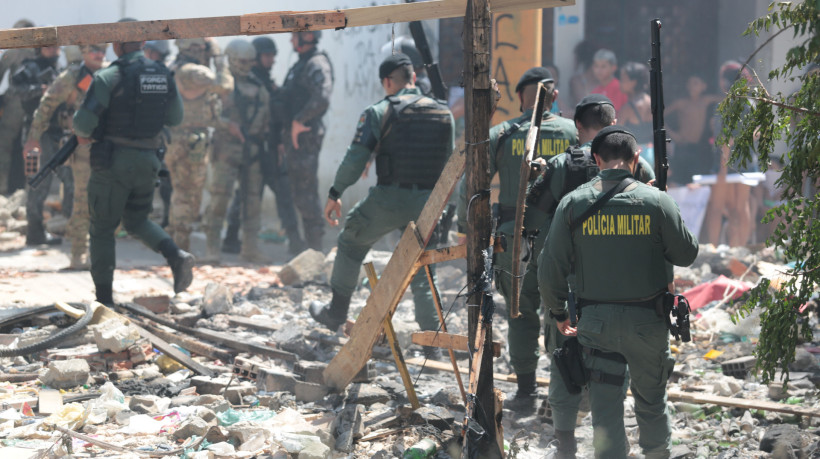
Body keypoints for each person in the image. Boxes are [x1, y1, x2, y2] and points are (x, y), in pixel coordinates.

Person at [540, 126, 698, 459]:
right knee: (652, 405)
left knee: (606, 413)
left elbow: (551, 267)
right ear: (636, 158)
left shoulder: (573, 203)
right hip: (648, 323)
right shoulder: (656, 201)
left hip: (596, 325)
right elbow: (686, 254)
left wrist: (558, 313)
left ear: (596, 159)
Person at [529, 94, 655, 457]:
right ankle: (609, 444)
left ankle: (565, 445)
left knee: (564, 358)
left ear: (578, 127)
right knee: (611, 365)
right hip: (619, 286)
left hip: (569, 281)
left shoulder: (560, 165)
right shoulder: (638, 166)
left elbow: (534, 222)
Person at [308, 54, 454, 352]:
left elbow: (355, 159)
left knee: (350, 241)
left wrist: (335, 193)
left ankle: (336, 312)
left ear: (388, 82)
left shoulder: (381, 110)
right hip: (429, 201)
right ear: (413, 78)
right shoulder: (444, 113)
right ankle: (432, 344)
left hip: (389, 198)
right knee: (424, 269)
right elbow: (451, 164)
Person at [457, 67, 577, 411]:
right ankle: (561, 393)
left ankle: (526, 392)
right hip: (562, 239)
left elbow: (472, 184)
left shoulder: (503, 133)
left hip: (514, 238)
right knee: (562, 312)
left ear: (519, 96)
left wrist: (466, 230)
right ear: (554, 97)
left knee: (521, 313)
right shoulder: (574, 133)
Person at [72, 23, 194, 305]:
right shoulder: (164, 74)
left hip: (113, 164)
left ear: (116, 45)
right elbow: (175, 118)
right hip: (149, 162)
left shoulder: (107, 77)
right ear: (142, 43)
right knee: (137, 220)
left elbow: (82, 124)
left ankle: (105, 301)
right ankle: (176, 255)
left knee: (102, 229)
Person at [24, 43, 108, 266]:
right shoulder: (72, 76)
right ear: (83, 53)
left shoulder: (110, 73)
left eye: (103, 50)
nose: (99, 54)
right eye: (94, 50)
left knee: (105, 203)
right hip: (82, 146)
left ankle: (99, 255)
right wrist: (33, 138)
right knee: (82, 200)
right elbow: (47, 105)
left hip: (109, 146)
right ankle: (78, 254)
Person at [222, 36, 305, 256]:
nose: (271, 60)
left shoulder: (265, 84)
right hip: (254, 146)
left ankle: (295, 240)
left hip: (270, 147)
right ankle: (231, 237)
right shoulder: (248, 84)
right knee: (248, 194)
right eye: (267, 55)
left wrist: (278, 143)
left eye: (272, 56)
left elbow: (276, 117)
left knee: (281, 193)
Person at [202, 39, 270, 264]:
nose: (247, 66)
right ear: (231, 59)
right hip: (225, 149)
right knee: (219, 200)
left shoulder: (257, 86)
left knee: (252, 202)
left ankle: (250, 249)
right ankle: (212, 249)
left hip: (251, 150)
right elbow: (208, 115)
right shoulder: (219, 86)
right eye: (243, 61)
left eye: (250, 61)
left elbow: (265, 115)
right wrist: (226, 125)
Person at [164, 37, 233, 251]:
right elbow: (224, 85)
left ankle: (175, 246)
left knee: (184, 194)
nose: (203, 51)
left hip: (181, 138)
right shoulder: (191, 71)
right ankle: (180, 250)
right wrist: (219, 58)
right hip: (187, 141)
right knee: (187, 196)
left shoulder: (176, 67)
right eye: (201, 47)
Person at [279, 31, 333, 251]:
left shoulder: (317, 63)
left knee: (306, 193)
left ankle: (315, 251)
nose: (291, 40)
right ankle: (307, 251)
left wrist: (299, 121)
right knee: (299, 193)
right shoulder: (301, 64)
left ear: (308, 36)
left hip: (306, 137)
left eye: (295, 36)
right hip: (295, 138)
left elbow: (322, 97)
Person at [702, 61, 758, 246]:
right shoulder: (752, 104)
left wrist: (722, 169)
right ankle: (740, 248)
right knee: (741, 208)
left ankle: (714, 248)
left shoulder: (724, 106)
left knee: (717, 208)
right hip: (747, 162)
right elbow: (758, 133)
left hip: (725, 162)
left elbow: (723, 141)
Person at [0, 19, 37, 194]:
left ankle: (2, 189)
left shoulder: (12, 53)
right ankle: (29, 190)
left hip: (14, 106)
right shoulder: (38, 52)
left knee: (5, 147)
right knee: (31, 148)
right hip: (34, 106)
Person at [666, 74, 722, 185]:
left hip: (697, 148)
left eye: (695, 83)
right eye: (690, 83)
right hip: (682, 147)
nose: (692, 86)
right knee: (679, 181)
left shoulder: (705, 100)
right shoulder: (681, 103)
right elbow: (659, 116)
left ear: (703, 86)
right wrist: (671, 133)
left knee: (695, 181)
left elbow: (725, 99)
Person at [618, 62, 653, 145]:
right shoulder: (650, 101)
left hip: (634, 153)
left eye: (623, 79)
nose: (620, 83)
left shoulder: (628, 108)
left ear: (633, 82)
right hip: (650, 152)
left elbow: (616, 135)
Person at [590, 49, 627, 113]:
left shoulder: (620, 87)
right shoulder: (595, 91)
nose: (599, 70)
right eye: (596, 66)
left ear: (613, 68)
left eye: (603, 66)